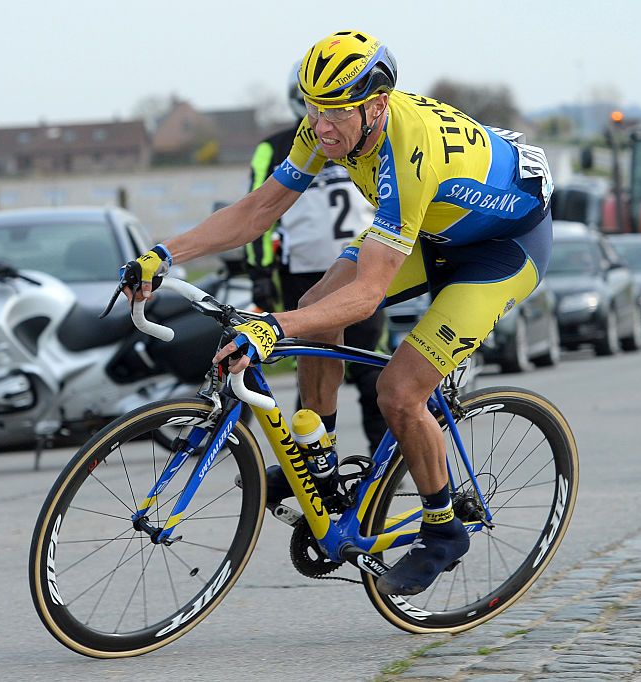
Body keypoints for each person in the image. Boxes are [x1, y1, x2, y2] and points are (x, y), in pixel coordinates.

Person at [121, 30, 554, 596]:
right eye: (312, 109)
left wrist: (270, 328)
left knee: (399, 392)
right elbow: (258, 211)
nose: (321, 127)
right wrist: (163, 253)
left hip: (503, 248)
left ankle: (444, 529)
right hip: (433, 228)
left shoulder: (408, 149)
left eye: (335, 114)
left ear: (376, 105)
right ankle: (318, 464)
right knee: (315, 308)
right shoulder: (328, 126)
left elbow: (368, 295)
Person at [245, 61, 387, 457]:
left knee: (367, 368)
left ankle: (384, 462)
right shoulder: (274, 147)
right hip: (304, 273)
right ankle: (312, 463)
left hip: (361, 266)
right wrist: (260, 272)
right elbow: (259, 208)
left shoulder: (359, 140)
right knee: (313, 367)